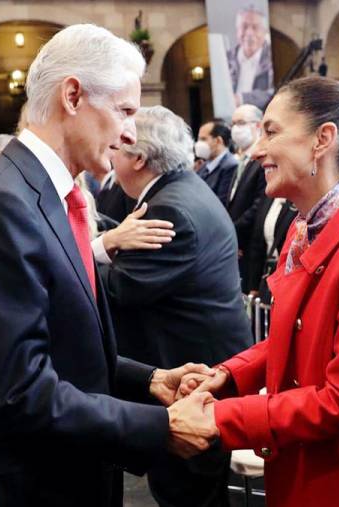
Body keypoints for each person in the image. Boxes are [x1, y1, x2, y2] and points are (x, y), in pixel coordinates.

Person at [0, 24, 218, 507]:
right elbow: (19, 394)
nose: (130, 132)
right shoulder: (0, 205)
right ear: (73, 96)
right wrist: (159, 427)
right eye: (125, 110)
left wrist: (147, 380)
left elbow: (63, 340)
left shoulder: (42, 194)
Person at [180, 76, 339, 507]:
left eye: (271, 132)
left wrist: (222, 417)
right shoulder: (304, 226)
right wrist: (229, 375)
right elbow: (296, 336)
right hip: (300, 468)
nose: (255, 150)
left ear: (322, 140)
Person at [98, 105, 252, 507]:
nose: (110, 153)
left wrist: (95, 248)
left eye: (117, 146)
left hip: (188, 376)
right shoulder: (179, 190)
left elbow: (122, 288)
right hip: (193, 366)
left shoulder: (170, 209)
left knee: (187, 493)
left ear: (138, 157)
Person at [227, 104, 268, 292]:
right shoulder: (241, 158)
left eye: (241, 123)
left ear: (258, 126)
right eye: (233, 124)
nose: (236, 129)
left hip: (252, 244)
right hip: (239, 244)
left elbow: (260, 204)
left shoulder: (262, 159)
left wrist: (233, 231)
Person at [226, 5, 274, 110]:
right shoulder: (225, 59)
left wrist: (241, 98)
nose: (249, 33)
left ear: (265, 32)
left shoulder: (274, 57)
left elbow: (273, 92)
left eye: (255, 27)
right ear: (237, 30)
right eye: (244, 26)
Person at [196, 120, 238, 207]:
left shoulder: (230, 166)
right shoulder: (204, 166)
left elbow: (221, 203)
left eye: (203, 139)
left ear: (218, 141)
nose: (199, 143)